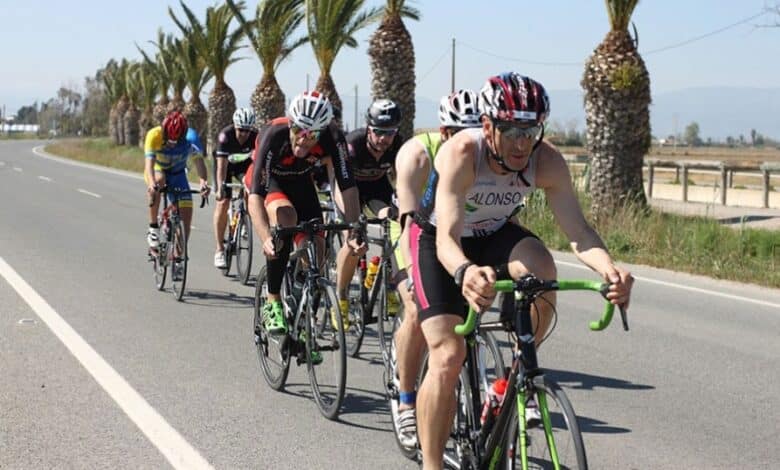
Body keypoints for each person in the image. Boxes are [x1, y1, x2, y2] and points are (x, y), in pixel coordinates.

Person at [409, 72, 634, 469]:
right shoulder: (462, 153)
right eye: (510, 129)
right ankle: (431, 464)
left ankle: (516, 375)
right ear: (487, 125)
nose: (521, 143)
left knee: (542, 264)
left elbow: (579, 232)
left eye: (529, 130)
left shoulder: (546, 161)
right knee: (448, 355)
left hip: (493, 233)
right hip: (439, 240)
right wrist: (465, 273)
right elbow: (446, 237)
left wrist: (609, 269)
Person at [391, 89, 482, 449]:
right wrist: (413, 272)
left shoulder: (483, 156)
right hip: (412, 232)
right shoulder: (417, 154)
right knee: (416, 307)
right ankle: (407, 399)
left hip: (456, 233)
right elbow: (408, 223)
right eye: (462, 133)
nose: (471, 142)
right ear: (445, 133)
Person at [248, 91, 364, 337]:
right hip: (272, 183)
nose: (302, 140)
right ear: (290, 124)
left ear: (321, 132)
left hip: (301, 183)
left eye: (311, 136)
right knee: (286, 218)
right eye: (298, 131)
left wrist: (352, 230)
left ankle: (303, 320)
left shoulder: (334, 138)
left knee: (317, 248)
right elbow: (255, 195)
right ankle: (273, 301)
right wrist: (265, 237)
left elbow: (347, 187)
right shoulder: (274, 134)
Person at [331, 99, 404, 326]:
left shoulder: (398, 144)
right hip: (346, 187)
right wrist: (352, 224)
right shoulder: (353, 144)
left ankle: (389, 283)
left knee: (396, 225)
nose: (384, 139)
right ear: (369, 129)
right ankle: (341, 299)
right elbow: (342, 181)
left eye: (389, 133)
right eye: (379, 132)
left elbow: (402, 178)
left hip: (376, 188)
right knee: (352, 242)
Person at [145, 111, 210, 279]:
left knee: (186, 214)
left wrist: (203, 182)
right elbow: (149, 166)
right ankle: (153, 228)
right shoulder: (154, 135)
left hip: (179, 174)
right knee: (158, 182)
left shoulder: (191, 138)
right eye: (170, 140)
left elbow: (199, 164)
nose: (173, 144)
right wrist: (152, 184)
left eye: (177, 140)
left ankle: (179, 258)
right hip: (159, 170)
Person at [212, 107, 259, 269]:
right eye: (241, 130)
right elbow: (221, 167)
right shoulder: (226, 136)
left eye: (247, 130)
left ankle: (245, 219)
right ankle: (219, 249)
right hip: (225, 166)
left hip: (243, 167)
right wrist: (220, 188)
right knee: (223, 202)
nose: (244, 134)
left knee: (251, 190)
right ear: (235, 126)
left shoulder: (255, 137)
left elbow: (257, 165)